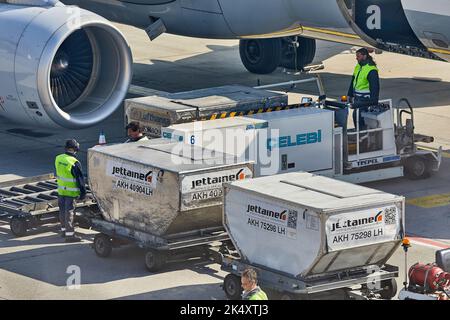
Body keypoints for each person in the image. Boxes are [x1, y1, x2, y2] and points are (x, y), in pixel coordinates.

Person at [55, 139, 86, 243]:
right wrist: (83, 193)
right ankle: (70, 236)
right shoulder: (74, 162)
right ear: (75, 149)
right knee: (69, 213)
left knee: (62, 211)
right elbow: (80, 180)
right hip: (71, 192)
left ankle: (63, 231)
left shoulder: (58, 158)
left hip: (61, 190)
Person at [347, 48, 380, 130]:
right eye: (356, 56)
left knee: (359, 117)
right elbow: (353, 80)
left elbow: (375, 87)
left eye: (358, 56)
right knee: (356, 116)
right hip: (357, 98)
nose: (356, 58)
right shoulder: (358, 66)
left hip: (365, 99)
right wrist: (349, 94)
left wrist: (373, 102)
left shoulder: (371, 69)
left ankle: (362, 137)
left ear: (364, 56)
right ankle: (360, 134)